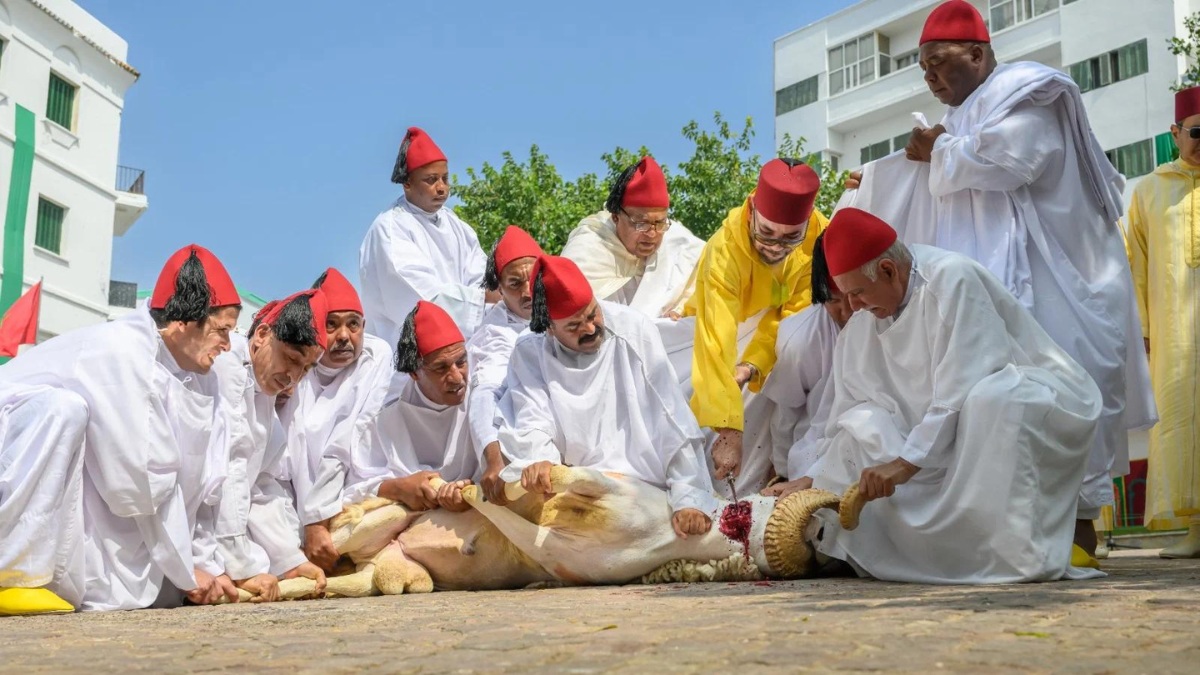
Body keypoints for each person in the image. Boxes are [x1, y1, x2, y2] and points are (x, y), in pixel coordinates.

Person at [841, 0, 1154, 557]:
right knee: (1002, 402)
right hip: (1006, 286)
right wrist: (880, 176)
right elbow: (940, 167)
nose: (930, 76)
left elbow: (1010, 162)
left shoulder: (1029, 95)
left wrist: (937, 150)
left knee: (1068, 389)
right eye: (923, 67)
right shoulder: (965, 118)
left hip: (1063, 281)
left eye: (939, 61)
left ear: (978, 54)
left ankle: (1079, 530)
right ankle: (1020, 533)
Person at [803, 207, 1104, 583]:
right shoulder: (865, 319)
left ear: (888, 270)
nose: (852, 308)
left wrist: (904, 464)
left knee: (996, 400)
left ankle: (1012, 551)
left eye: (857, 294)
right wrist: (813, 477)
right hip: (928, 435)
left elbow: (963, 385)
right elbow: (846, 408)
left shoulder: (951, 279)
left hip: (1018, 404)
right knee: (862, 425)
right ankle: (900, 554)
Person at [0, 244, 242, 614]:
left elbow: (201, 484)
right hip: (13, 441)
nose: (227, 345)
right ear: (184, 321)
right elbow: (138, 481)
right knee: (62, 410)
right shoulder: (122, 353)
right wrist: (185, 570)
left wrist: (206, 565)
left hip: (108, 488)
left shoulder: (201, 377)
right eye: (221, 330)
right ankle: (12, 573)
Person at [496, 256, 718, 538]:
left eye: (593, 315)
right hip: (577, 486)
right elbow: (532, 415)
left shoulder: (633, 330)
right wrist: (540, 461)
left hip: (647, 487)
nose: (590, 329)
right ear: (549, 327)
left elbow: (671, 419)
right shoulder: (530, 350)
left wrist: (689, 498)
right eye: (574, 326)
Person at [672, 158, 829, 499]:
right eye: (766, 233)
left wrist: (751, 366)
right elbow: (715, 340)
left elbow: (795, 318)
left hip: (772, 344)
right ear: (752, 210)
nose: (775, 247)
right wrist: (729, 430)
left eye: (791, 238)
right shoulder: (724, 251)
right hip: (717, 338)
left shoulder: (820, 238)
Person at [210, 290, 329, 601]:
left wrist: (289, 560)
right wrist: (241, 567)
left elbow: (259, 484)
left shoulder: (264, 396)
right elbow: (230, 471)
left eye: (306, 369)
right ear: (262, 335)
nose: (293, 378)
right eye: (291, 359)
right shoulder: (228, 367)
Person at [1126, 85, 1200, 558]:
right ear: (1175, 133)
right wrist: (1143, 332)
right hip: (1175, 336)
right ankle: (1197, 528)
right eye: (1197, 132)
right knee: (1181, 423)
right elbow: (1135, 264)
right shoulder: (1149, 190)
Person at [287, 268, 394, 571]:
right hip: (295, 513)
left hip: (352, 499)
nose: (344, 336)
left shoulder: (375, 356)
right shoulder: (294, 366)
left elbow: (346, 443)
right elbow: (281, 465)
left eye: (353, 324)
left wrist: (317, 520)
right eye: (331, 324)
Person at [358, 126, 495, 345]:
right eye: (431, 180)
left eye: (445, 178)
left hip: (462, 347)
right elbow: (421, 297)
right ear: (407, 183)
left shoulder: (455, 223)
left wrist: (494, 293)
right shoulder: (390, 228)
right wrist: (482, 299)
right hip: (405, 350)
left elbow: (480, 272)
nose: (441, 188)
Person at [350, 301, 478, 512]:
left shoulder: (482, 399)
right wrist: (399, 488)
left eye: (461, 362)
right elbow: (353, 488)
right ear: (414, 373)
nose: (457, 378)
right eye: (441, 368)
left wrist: (472, 489)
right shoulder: (385, 419)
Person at [760, 233, 852, 501]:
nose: (848, 311)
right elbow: (786, 412)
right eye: (834, 300)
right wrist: (782, 472)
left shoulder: (880, 314)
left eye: (852, 296)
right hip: (814, 452)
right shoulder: (800, 336)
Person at [561, 156, 703, 317]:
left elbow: (695, 292)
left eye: (659, 223)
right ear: (616, 217)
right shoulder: (588, 247)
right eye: (641, 223)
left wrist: (681, 309)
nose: (652, 234)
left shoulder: (681, 244)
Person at [466, 225, 544, 505]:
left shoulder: (566, 307)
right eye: (514, 284)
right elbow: (485, 392)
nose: (527, 292)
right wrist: (494, 460)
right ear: (499, 289)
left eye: (533, 279)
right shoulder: (495, 334)